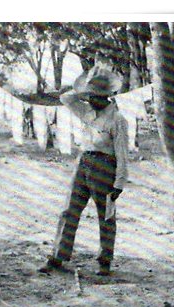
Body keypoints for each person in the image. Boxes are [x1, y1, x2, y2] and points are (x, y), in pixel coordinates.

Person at [40, 67, 129, 276]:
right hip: (83, 163)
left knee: (105, 215)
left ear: (106, 97)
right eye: (88, 96)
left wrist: (119, 184)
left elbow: (123, 153)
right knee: (69, 210)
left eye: (95, 97)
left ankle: (104, 261)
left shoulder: (117, 119)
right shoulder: (86, 110)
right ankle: (58, 255)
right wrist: (81, 89)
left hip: (105, 165)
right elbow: (66, 99)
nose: (90, 100)